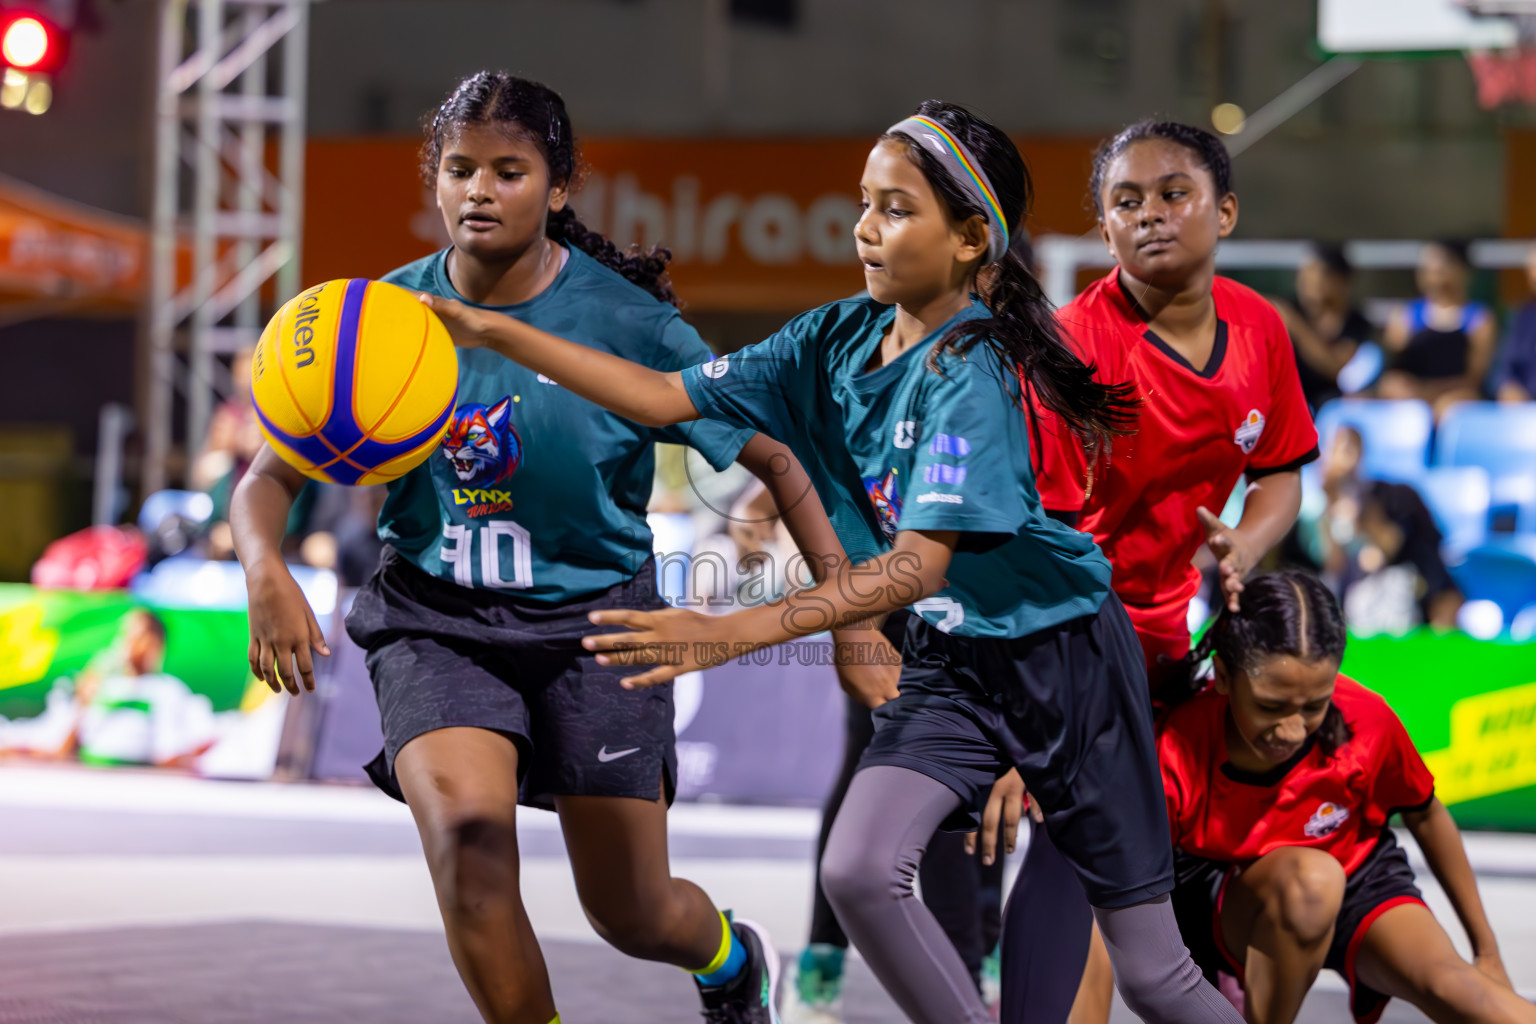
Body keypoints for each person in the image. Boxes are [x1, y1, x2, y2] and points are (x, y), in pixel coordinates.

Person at [422, 99, 1248, 1024]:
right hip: (954, 667)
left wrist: (728, 632)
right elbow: (661, 397)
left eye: (896, 209)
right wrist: (494, 333)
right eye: (865, 202)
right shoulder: (834, 336)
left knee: (1153, 976)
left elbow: (913, 569)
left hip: (1070, 666)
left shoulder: (968, 374)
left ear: (972, 238)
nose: (864, 226)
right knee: (858, 869)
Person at [232, 72, 850, 1024]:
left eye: (509, 171)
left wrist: (847, 616)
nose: (479, 190)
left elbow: (778, 454)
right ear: (434, 181)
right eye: (460, 169)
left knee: (633, 911)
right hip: (436, 621)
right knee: (470, 847)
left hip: (598, 626)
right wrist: (265, 569)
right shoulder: (376, 322)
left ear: (558, 188)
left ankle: (729, 958)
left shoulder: (632, 327)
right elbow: (264, 480)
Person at [1024, 120, 1318, 1024]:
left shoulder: (1260, 328)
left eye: (1172, 193)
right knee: (1077, 861)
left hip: (1174, 635)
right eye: (1125, 202)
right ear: (1103, 231)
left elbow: (1279, 472)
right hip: (1065, 630)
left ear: (1224, 211)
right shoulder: (1074, 344)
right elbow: (1041, 534)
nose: (1150, 214)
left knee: (1133, 862)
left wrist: (1245, 542)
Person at [1159, 571, 1534, 1024]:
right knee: (1312, 883)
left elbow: (1428, 816)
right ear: (1222, 676)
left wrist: (1486, 951)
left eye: (1314, 705)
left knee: (1460, 990)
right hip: (1225, 897)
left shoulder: (1366, 718)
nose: (1292, 731)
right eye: (1270, 706)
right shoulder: (1175, 746)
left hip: (1356, 876)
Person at [1317, 427, 1462, 632]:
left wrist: (1361, 513)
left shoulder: (1396, 498)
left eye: (1348, 449)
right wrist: (1332, 504)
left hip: (1414, 595)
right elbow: (1333, 566)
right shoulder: (1324, 505)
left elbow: (1388, 547)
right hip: (1359, 604)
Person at [1378, 240, 1497, 420]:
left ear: (1463, 271)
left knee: (1449, 406)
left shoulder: (1480, 319)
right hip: (1412, 395)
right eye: (1427, 268)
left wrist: (1428, 391)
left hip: (1456, 396)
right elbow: (1392, 367)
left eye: (1441, 268)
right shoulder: (1405, 315)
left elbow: (1473, 380)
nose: (1433, 275)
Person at [1272, 243, 1377, 410]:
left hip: (1332, 406)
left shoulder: (1357, 324)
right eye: (1303, 276)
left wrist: (1296, 327)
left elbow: (1338, 370)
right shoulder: (1289, 308)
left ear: (1340, 281)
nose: (1306, 283)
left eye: (1314, 274)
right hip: (1287, 401)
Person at [1493, 246, 1536, 404]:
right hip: (1525, 414)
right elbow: (1504, 369)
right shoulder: (1523, 316)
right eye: (1531, 267)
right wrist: (1508, 388)